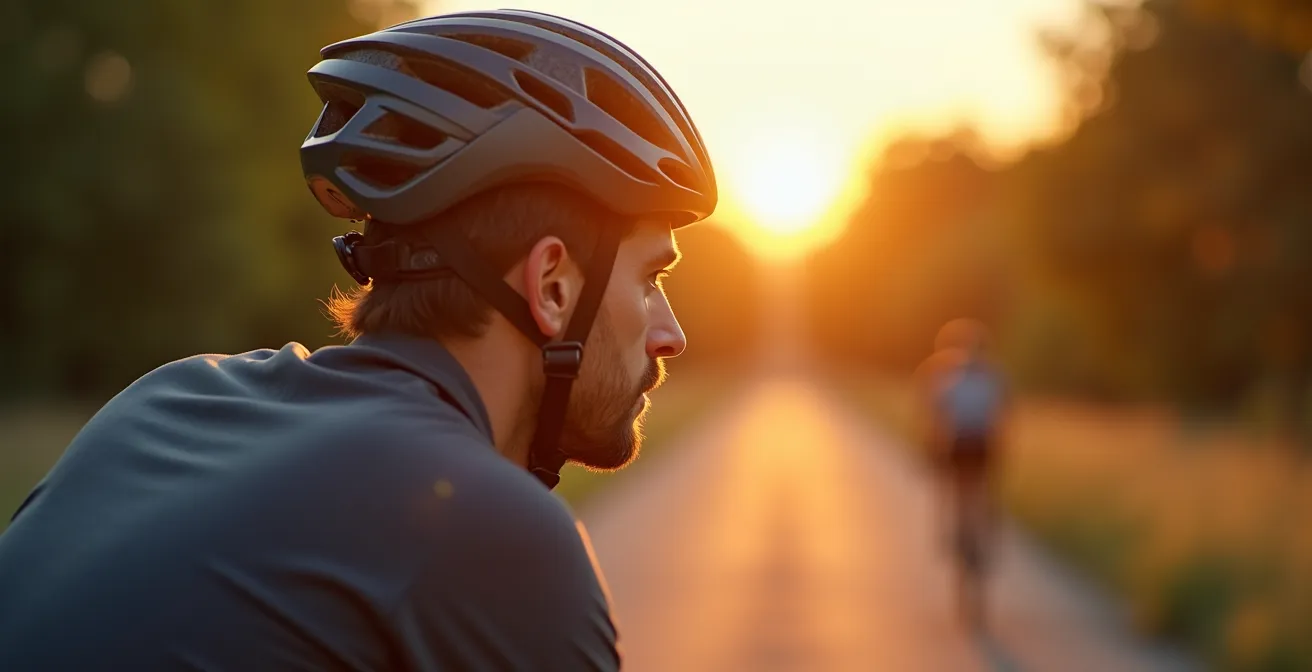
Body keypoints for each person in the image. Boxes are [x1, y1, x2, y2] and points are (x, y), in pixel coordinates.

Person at [0, 9, 716, 670]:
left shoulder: (166, 402)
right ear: (553, 287)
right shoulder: (494, 538)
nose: (670, 334)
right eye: (651, 279)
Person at [914, 318, 1009, 630]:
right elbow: (1001, 420)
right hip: (980, 449)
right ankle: (982, 531)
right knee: (980, 497)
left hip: (960, 448)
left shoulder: (944, 377)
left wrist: (929, 453)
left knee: (956, 494)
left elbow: (935, 420)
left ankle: (957, 531)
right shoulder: (993, 378)